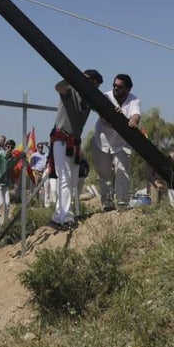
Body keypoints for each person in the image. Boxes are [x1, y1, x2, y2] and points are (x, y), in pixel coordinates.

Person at [49, 69, 103, 230]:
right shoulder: (71, 90)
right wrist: (74, 78)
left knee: (73, 180)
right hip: (62, 139)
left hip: (75, 142)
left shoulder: (89, 98)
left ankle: (59, 214)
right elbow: (59, 87)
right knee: (65, 178)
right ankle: (65, 217)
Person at [91, 73, 142, 211]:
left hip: (122, 143)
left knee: (122, 172)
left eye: (120, 87)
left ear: (128, 89)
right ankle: (107, 205)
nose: (116, 88)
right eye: (114, 85)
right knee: (105, 175)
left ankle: (122, 204)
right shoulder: (106, 97)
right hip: (102, 141)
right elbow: (101, 113)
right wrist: (113, 115)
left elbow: (136, 115)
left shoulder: (133, 100)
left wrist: (134, 120)